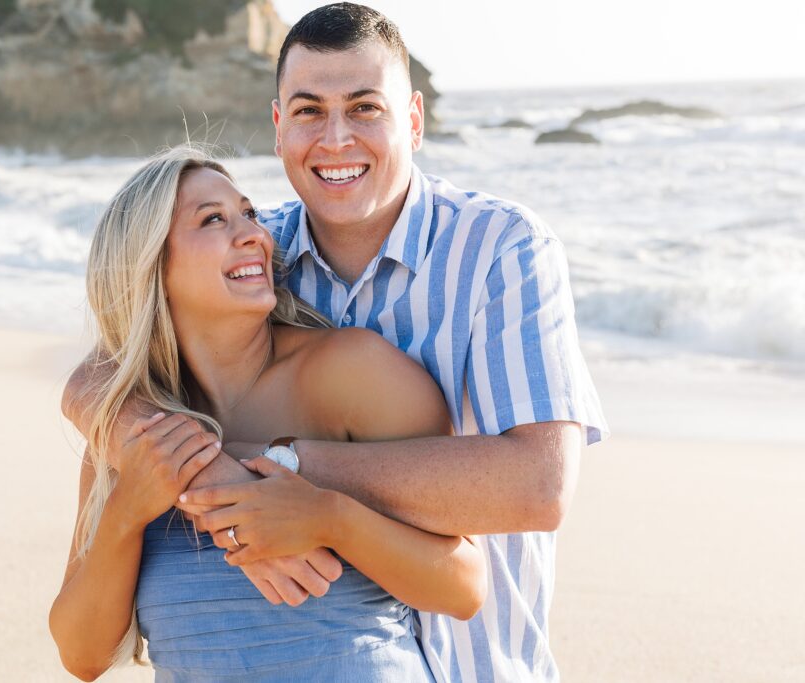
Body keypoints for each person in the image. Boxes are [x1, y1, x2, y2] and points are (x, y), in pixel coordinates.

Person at [63, 4, 608, 682]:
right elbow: (98, 376)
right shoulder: (264, 254)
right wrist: (192, 473)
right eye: (310, 110)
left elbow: (539, 486)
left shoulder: (501, 251)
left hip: (480, 665)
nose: (337, 137)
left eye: (364, 108)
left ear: (413, 120)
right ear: (278, 127)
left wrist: (278, 469)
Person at [49, 147, 487, 681]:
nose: (254, 234)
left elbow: (464, 586)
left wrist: (329, 518)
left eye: (249, 214)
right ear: (150, 264)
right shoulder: (127, 431)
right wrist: (126, 511)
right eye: (213, 219)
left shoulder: (350, 372)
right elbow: (83, 656)